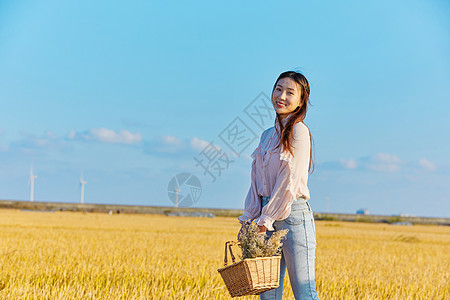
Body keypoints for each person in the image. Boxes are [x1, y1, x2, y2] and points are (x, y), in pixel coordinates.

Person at [237, 71, 319, 300]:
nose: (281, 96)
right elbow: (257, 182)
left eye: (290, 92)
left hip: (293, 216)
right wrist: (249, 217)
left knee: (304, 292)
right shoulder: (266, 136)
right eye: (278, 89)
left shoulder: (299, 131)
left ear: (301, 101)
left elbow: (288, 182)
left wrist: (266, 219)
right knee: (268, 293)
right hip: (266, 216)